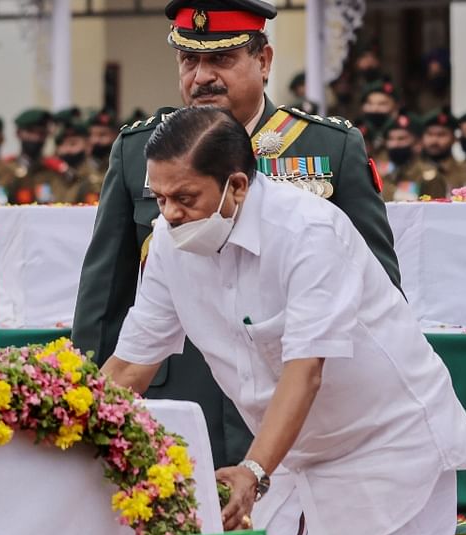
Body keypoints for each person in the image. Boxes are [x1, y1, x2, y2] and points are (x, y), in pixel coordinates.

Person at [102, 105, 466, 535]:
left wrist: (253, 473)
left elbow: (304, 371)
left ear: (236, 185)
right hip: (290, 460)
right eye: (159, 198)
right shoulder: (170, 245)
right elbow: (129, 367)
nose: (168, 214)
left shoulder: (309, 231)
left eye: (185, 198)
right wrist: (68, 423)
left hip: (389, 449)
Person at [72, 0, 401, 469]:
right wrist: (83, 404)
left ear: (263, 62)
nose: (202, 76)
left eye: (221, 59)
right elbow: (105, 296)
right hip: (184, 387)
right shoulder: (139, 151)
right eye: (189, 60)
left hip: (306, 391)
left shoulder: (328, 147)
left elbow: (378, 286)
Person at [380, 113, 447, 201]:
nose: (394, 144)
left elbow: (435, 210)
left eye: (401, 139)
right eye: (391, 139)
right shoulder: (381, 173)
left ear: (418, 144)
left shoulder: (429, 176)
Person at [421, 107, 466, 191]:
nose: (434, 140)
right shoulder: (412, 172)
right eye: (430, 134)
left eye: (441, 135)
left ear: (454, 139)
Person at [9, 108, 60, 204]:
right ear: (18, 133)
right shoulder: (7, 170)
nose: (36, 138)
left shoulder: (53, 172)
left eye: (41, 133)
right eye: (30, 132)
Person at [51, 122, 99, 204]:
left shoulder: (95, 179)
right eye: (62, 144)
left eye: (73, 144)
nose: (67, 149)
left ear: (88, 146)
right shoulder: (50, 175)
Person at [358, 79, 397, 166]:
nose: (375, 109)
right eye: (370, 104)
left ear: (395, 107)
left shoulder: (399, 136)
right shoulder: (355, 133)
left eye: (382, 104)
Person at [84, 108, 119, 195]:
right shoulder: (82, 166)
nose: (96, 140)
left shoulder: (122, 165)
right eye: (92, 135)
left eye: (102, 135)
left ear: (116, 136)